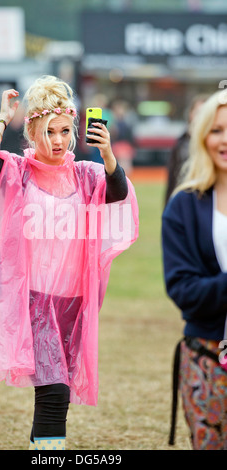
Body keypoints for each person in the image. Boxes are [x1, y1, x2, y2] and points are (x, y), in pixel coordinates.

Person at [0, 75, 139, 450]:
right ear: (32, 133)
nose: (57, 141)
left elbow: (118, 192)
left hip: (72, 303)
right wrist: (3, 116)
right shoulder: (18, 174)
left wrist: (107, 155)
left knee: (56, 394)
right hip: (35, 302)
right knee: (54, 391)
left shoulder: (86, 175)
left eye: (63, 131)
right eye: (48, 132)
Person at [162, 89, 227, 450]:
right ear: (202, 136)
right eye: (217, 130)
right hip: (207, 357)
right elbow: (183, 290)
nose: (225, 139)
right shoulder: (183, 207)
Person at [164, 94, 209, 205]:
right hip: (184, 200)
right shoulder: (180, 143)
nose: (201, 117)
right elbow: (172, 180)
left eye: (205, 113)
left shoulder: (216, 144)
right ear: (190, 114)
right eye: (198, 112)